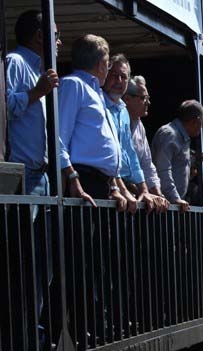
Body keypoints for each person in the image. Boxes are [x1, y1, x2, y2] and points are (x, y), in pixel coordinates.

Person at [57, 33, 125, 209]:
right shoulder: (73, 85)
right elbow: (58, 138)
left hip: (101, 185)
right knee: (83, 236)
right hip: (83, 181)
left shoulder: (96, 91)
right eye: (108, 64)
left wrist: (113, 186)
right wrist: (73, 178)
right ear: (101, 63)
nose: (108, 68)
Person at [5, 9, 61, 196]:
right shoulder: (15, 61)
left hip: (41, 174)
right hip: (21, 173)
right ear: (39, 36)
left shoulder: (38, 70)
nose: (59, 41)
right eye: (56, 35)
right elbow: (4, 109)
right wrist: (37, 92)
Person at [102, 54, 165, 214]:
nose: (119, 81)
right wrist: (122, 189)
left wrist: (145, 189)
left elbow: (132, 156)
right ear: (105, 75)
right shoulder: (98, 104)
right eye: (114, 75)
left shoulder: (122, 111)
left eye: (123, 77)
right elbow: (107, 155)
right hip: (107, 187)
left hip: (126, 192)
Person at [151, 100, 203, 212]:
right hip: (162, 206)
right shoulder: (169, 134)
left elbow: (179, 164)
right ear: (197, 121)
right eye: (202, 123)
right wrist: (175, 198)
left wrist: (194, 160)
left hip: (172, 205)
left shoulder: (183, 139)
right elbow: (163, 169)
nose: (201, 128)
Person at [123, 75, 165, 199]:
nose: (148, 102)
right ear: (127, 99)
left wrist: (158, 194)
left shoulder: (139, 125)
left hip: (136, 197)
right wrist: (142, 192)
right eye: (144, 98)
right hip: (118, 196)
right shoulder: (115, 119)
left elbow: (147, 164)